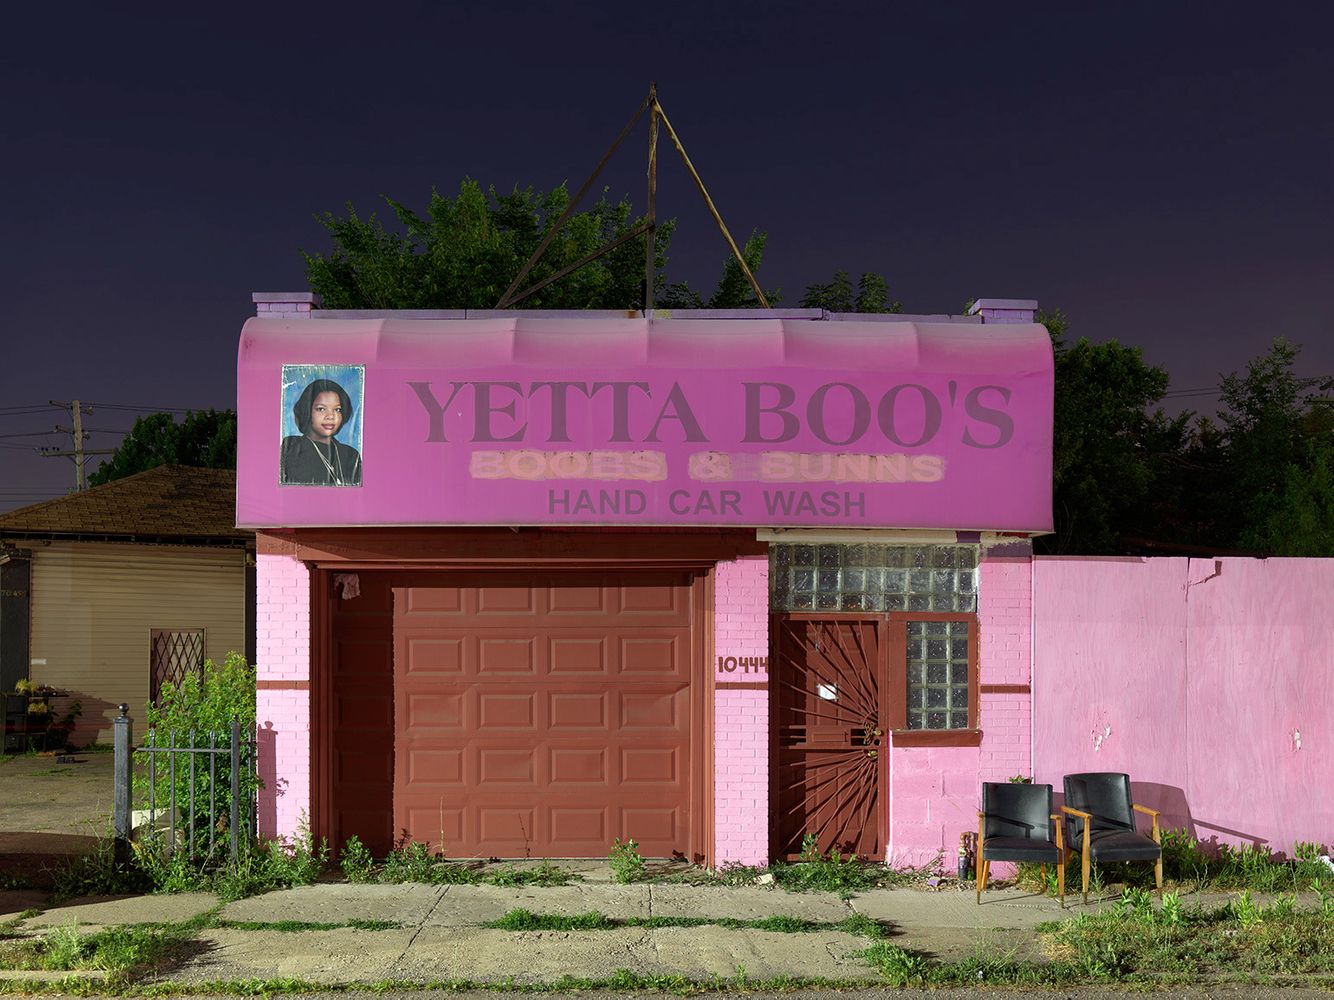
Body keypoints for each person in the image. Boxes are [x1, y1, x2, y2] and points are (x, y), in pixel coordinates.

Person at [281, 378, 362, 486]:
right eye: (321, 409)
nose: (331, 416)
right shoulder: (291, 448)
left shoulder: (351, 455)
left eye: (337, 409)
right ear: (307, 410)